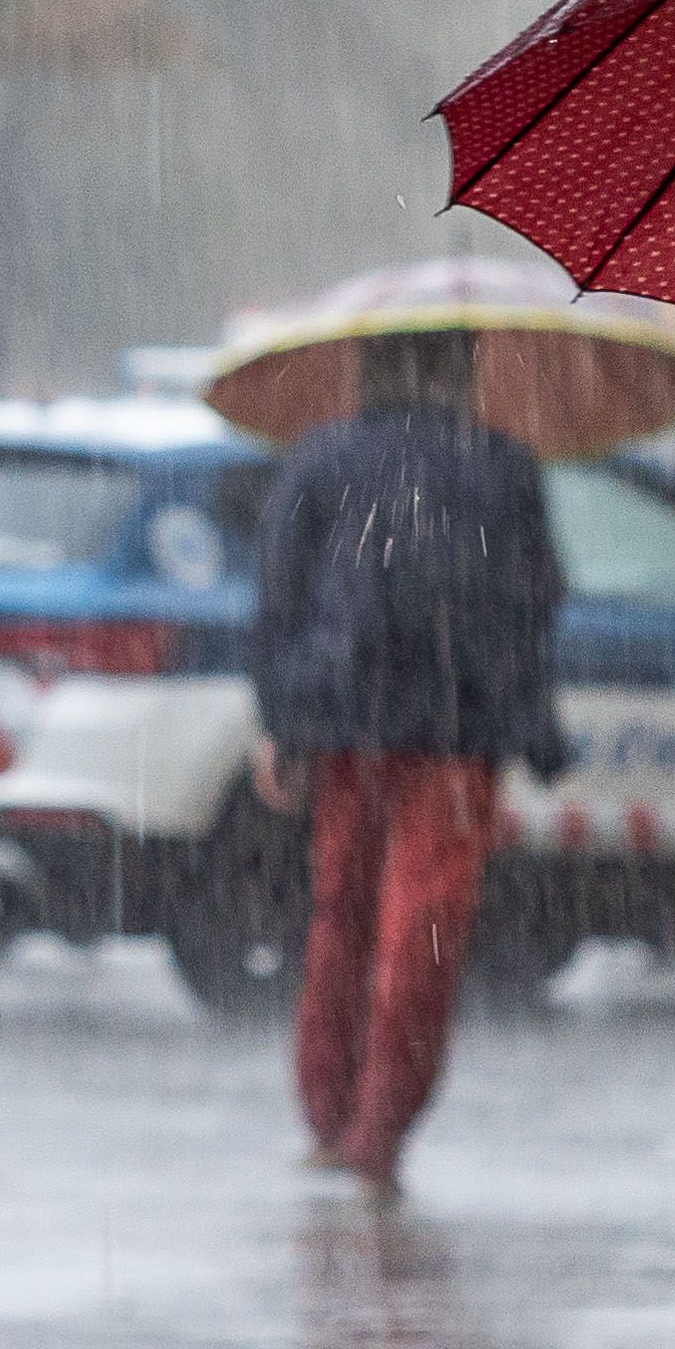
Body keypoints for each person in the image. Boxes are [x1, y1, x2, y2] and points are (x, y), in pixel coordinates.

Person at [243, 329, 571, 1182]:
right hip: (457, 733)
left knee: (340, 913)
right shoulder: (502, 466)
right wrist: (532, 724)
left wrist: (280, 721)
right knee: (424, 928)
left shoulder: (322, 459)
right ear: (463, 371)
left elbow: (279, 594)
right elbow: (535, 602)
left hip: (346, 723)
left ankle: (327, 1114)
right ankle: (382, 1127)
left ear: (367, 367)